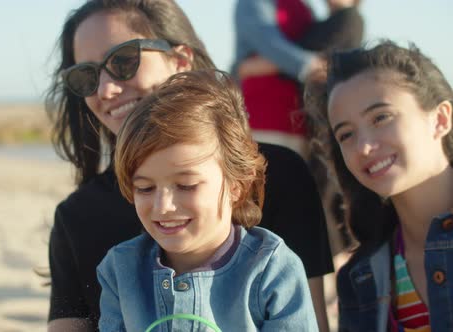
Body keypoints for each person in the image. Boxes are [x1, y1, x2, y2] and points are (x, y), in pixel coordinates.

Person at [45, 1, 333, 331]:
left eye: (123, 61)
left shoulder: (280, 175)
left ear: (180, 60)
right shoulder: (77, 218)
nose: (106, 89)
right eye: (87, 75)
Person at [96, 69, 317, 331]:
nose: (163, 206)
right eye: (145, 188)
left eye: (186, 185)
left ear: (237, 184)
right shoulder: (120, 269)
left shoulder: (272, 269)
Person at [305, 40, 453, 331]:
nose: (364, 147)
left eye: (381, 117)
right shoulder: (359, 279)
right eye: (346, 134)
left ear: (440, 118)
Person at [233, 0, 364, 155]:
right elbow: (270, 44)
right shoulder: (256, 3)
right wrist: (312, 65)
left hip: (302, 122)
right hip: (265, 115)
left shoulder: (303, 6)